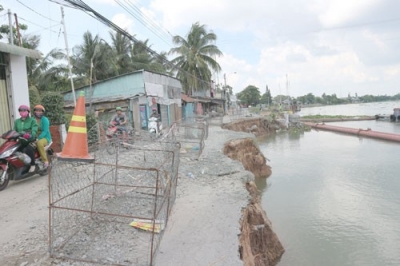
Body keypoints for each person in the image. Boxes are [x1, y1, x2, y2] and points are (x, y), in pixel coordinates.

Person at [13, 105, 38, 173]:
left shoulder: (32, 120)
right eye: (21, 110)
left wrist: (30, 135)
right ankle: (23, 166)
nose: (22, 112)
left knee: (28, 149)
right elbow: (14, 131)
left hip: (31, 140)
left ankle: (33, 165)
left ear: (28, 112)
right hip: (21, 141)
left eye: (24, 110)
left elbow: (34, 131)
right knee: (14, 151)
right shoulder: (17, 121)